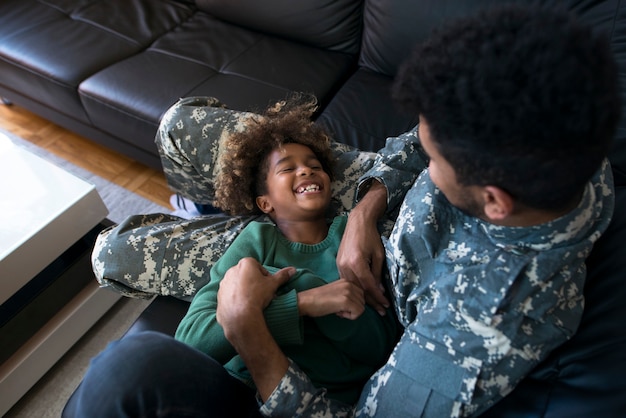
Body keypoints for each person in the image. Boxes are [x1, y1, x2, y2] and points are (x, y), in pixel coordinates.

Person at [63, 4, 620, 418]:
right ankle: (214, 208)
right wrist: (366, 209)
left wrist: (250, 332)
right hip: (355, 209)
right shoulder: (559, 124)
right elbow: (411, 148)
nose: (423, 145)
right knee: (180, 124)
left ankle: (220, 223)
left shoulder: (481, 326)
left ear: (493, 202)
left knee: (113, 253)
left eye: (437, 153)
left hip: (337, 281)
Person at [174, 97, 398, 408]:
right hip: (233, 387)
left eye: (314, 166)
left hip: (317, 403)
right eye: (288, 168)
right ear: (265, 203)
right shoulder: (256, 240)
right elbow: (189, 343)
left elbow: (380, 349)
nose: (306, 171)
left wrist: (262, 309)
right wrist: (304, 300)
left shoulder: (352, 238)